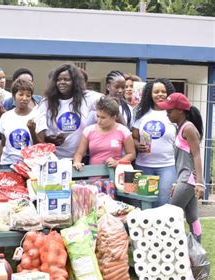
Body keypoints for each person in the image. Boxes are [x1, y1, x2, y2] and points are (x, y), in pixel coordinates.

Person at [159, 93, 205, 242]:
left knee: (170, 216)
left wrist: (199, 183)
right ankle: (197, 253)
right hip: (184, 179)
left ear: (180, 110)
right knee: (192, 218)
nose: (167, 113)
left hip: (188, 180)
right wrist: (176, 182)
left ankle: (170, 249)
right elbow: (182, 161)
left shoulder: (188, 128)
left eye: (169, 110)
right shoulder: (180, 128)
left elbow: (197, 155)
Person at [35, 64, 101, 159]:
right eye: (58, 80)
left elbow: (111, 106)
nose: (62, 82)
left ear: (75, 82)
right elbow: (38, 136)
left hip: (80, 159)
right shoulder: (46, 103)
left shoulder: (87, 98)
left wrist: (123, 130)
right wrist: (48, 139)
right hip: (53, 158)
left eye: (66, 79)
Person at [132, 78, 177, 207]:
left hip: (167, 165)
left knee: (163, 201)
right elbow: (133, 137)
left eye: (163, 91)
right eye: (156, 92)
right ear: (150, 95)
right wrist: (136, 144)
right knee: (144, 201)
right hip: (144, 165)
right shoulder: (142, 114)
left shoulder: (173, 113)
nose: (160, 94)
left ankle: (163, 227)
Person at [73, 96, 135, 170]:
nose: (99, 120)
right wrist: (77, 162)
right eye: (97, 116)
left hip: (115, 173)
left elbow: (131, 154)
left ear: (114, 117)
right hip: (94, 174)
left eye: (103, 118)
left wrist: (118, 162)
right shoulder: (88, 131)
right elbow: (79, 153)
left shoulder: (123, 131)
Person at [0, 79, 38, 169]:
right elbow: (3, 144)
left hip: (29, 165)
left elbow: (39, 145)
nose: (24, 98)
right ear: (14, 96)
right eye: (21, 94)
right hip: (7, 164)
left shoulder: (36, 116)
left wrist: (32, 130)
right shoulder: (6, 117)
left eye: (28, 95)